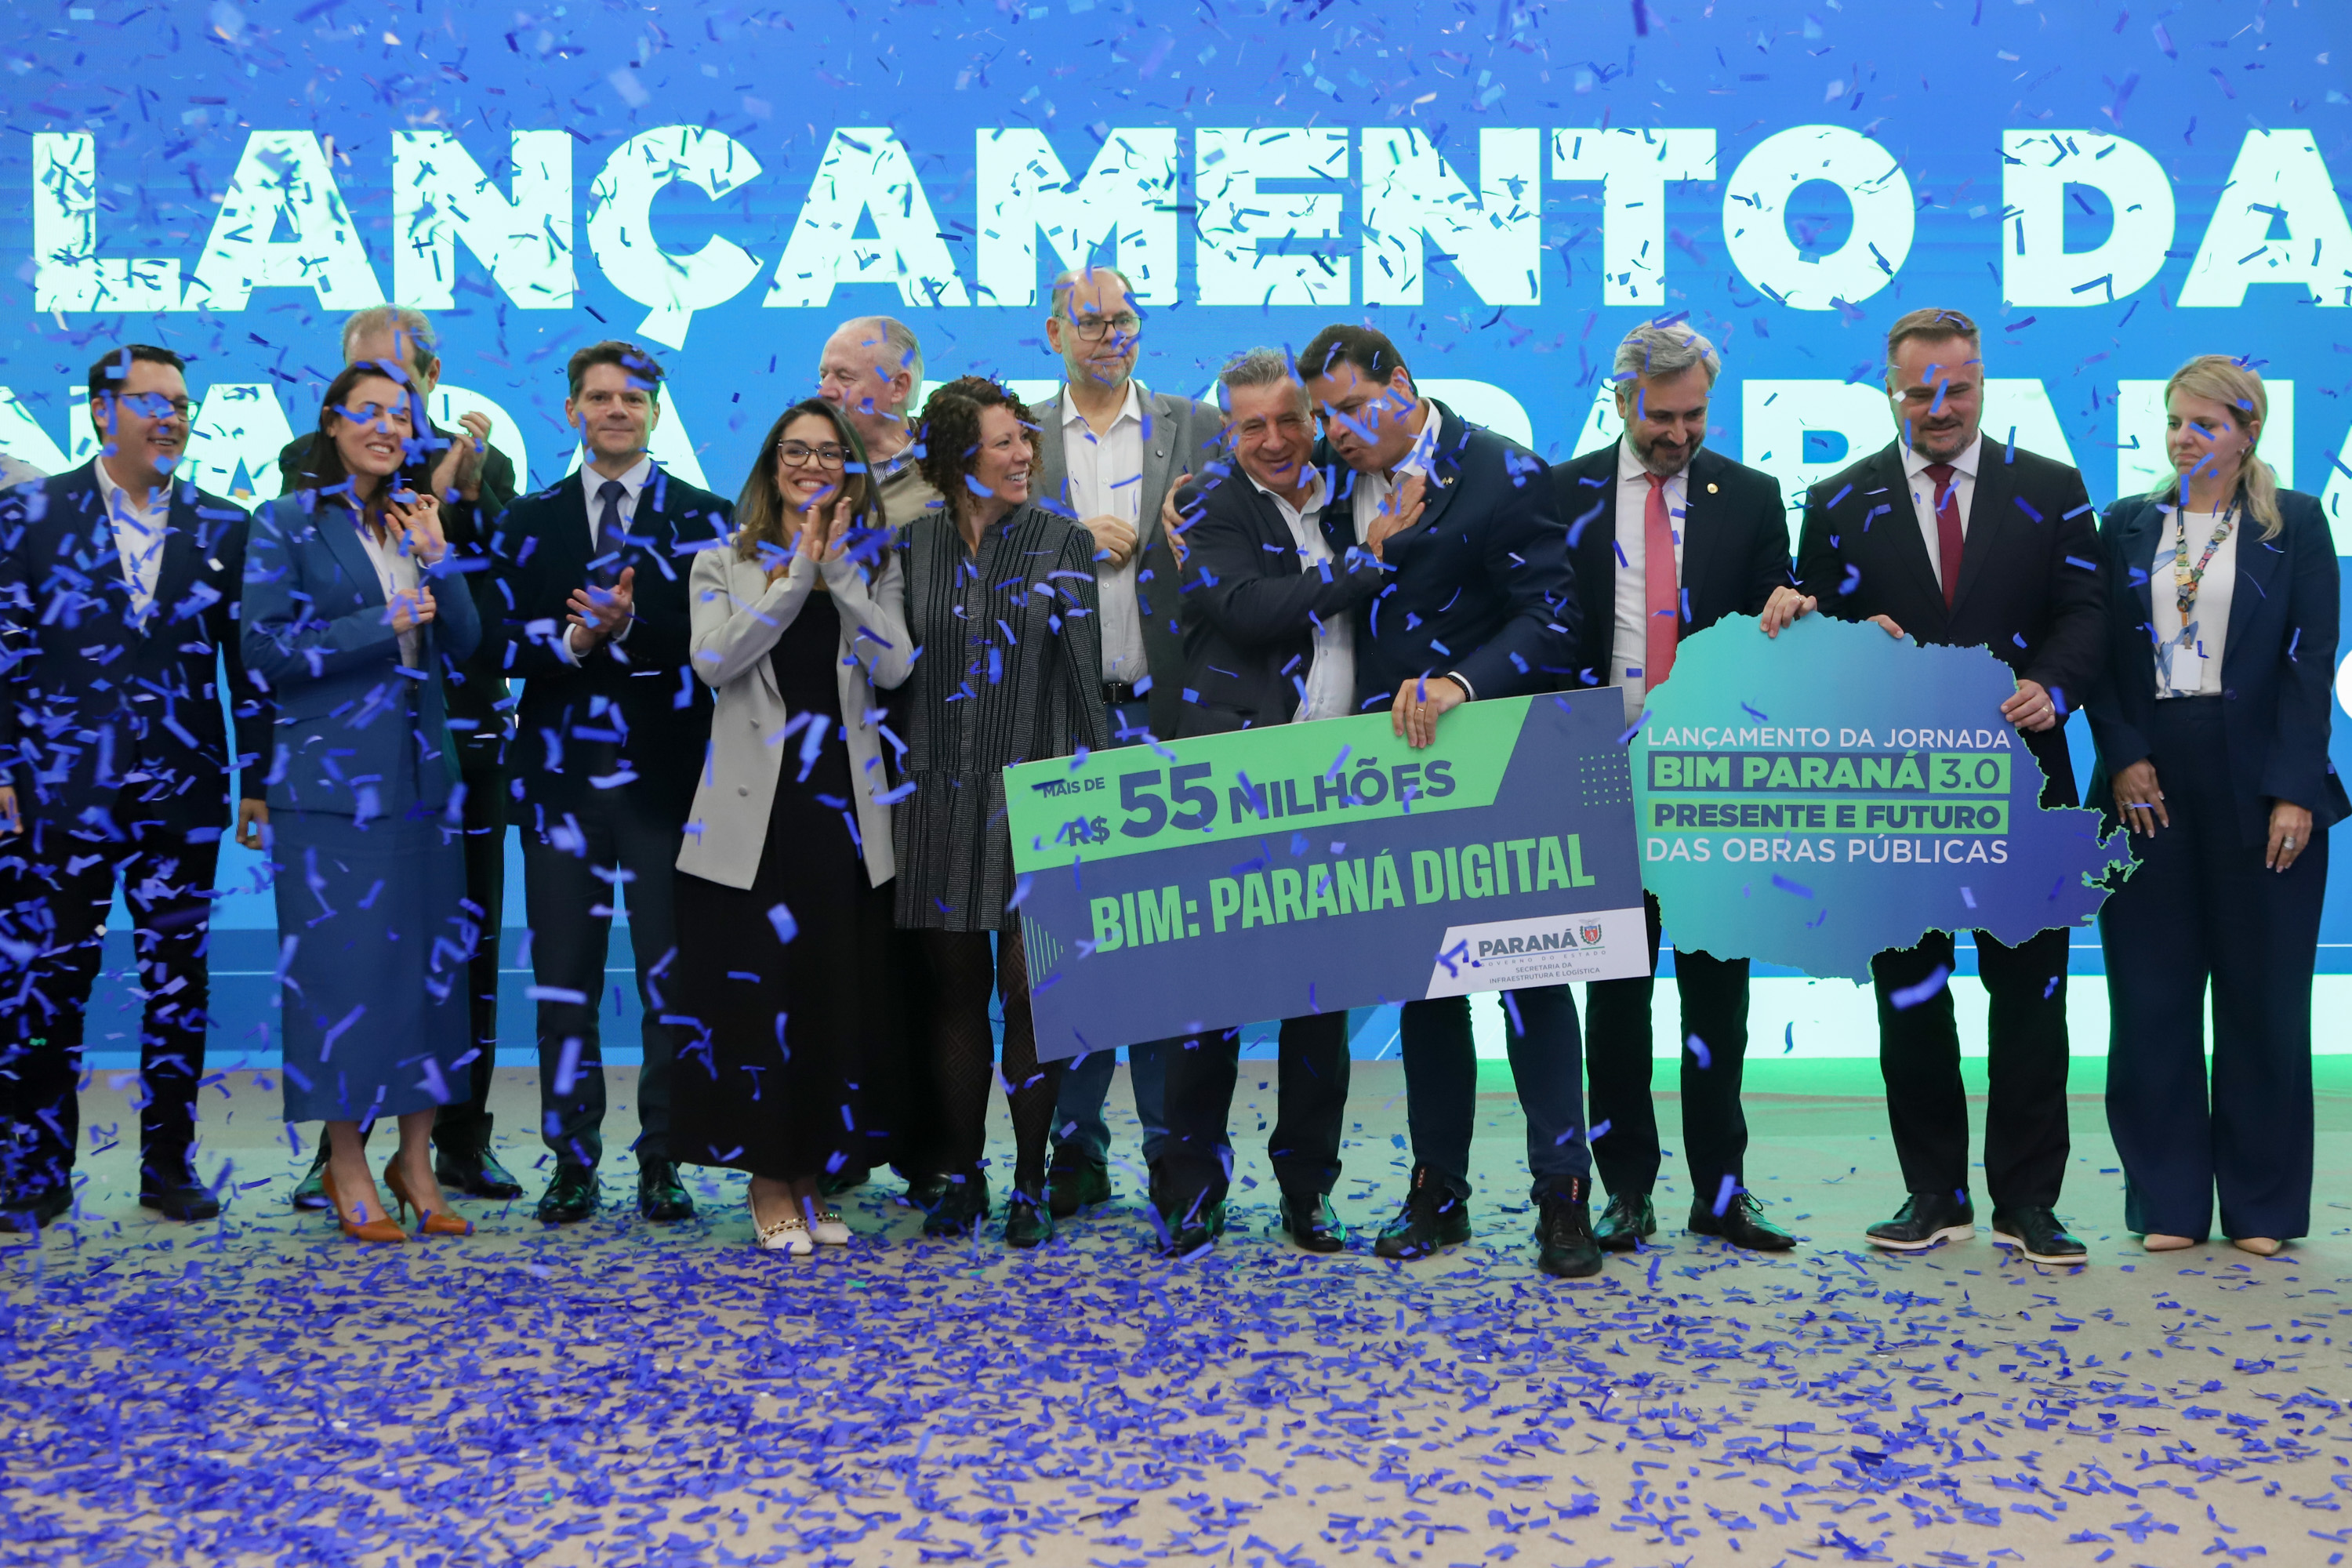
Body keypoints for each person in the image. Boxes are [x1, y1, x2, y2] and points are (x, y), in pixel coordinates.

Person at [1768, 306, 2103, 1266]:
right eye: (1921, 391)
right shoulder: (1837, 499)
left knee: (2031, 999)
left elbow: (2087, 611)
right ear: (1892, 392)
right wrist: (1824, 630)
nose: (1941, 407)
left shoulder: (2052, 486)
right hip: (1896, 793)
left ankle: (2028, 1202)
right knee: (1910, 999)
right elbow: (1816, 631)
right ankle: (1934, 1194)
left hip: (2024, 789)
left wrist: (2055, 685)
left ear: (1982, 381)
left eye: (1958, 387)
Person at [1294, 323, 1598, 1279]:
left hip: (1502, 761)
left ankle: (1563, 1193)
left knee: (1534, 983)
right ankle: (1438, 1190)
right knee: (1427, 987)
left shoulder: (1503, 469)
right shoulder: (1325, 480)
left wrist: (1461, 683)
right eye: (1324, 416)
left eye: (1352, 407)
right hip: (1387, 773)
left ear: (1401, 382)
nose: (1337, 431)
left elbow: (1554, 615)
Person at [0, 345, 267, 1232]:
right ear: (100, 412)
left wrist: (256, 775)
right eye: (151, 402)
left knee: (178, 987)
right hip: (57, 797)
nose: (172, 418)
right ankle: (38, 1170)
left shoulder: (225, 525)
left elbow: (248, 666)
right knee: (46, 987)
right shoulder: (28, 514)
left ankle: (167, 1165)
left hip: (182, 797)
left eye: (182, 403)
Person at [2087, 355, 2346, 1257]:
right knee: (2150, 999)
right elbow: (2096, 652)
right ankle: (2167, 1201)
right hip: (2146, 786)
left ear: (2248, 432)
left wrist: (2295, 789)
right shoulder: (2124, 524)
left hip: (2263, 787)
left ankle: (2263, 1207)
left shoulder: (2295, 522)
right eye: (2175, 421)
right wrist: (2123, 755)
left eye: (2206, 423)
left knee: (2263, 1001)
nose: (2185, 437)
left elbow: (2311, 661)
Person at [1555, 323, 1796, 1255]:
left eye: (1695, 414)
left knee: (1717, 1001)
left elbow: (1776, 599)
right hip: (1596, 773)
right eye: (1661, 415)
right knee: (1615, 997)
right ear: (1622, 401)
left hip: (1712, 781)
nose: (1679, 433)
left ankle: (1721, 1191)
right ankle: (1625, 1189)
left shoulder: (1754, 495)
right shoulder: (1564, 493)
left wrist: (1791, 603)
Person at [278, 305, 522, 1211]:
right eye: (367, 380)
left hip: (457, 742)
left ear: (430, 378)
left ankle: (459, 1140)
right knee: (352, 957)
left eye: (402, 379)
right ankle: (340, 1147)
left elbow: (489, 599)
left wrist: (461, 495)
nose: (387, 406)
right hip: (347, 756)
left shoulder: (484, 465)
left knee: (461, 949)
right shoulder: (301, 470)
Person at [1150, 348, 1385, 1257]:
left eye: (1291, 419)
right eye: (1254, 425)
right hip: (1232, 784)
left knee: (1320, 1004)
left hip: (1341, 785)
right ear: (1228, 431)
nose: (1276, 439)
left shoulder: (1354, 492)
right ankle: (1192, 1191)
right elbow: (1248, 609)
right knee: (1206, 1002)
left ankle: (1307, 1191)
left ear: (1314, 419)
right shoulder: (1209, 502)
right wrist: (1367, 564)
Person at [242, 360, 482, 1244]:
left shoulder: (419, 516)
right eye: (369, 412)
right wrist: (382, 622)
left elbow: (469, 641)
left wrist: (441, 559)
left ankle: (416, 1163)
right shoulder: (285, 521)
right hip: (329, 789)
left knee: (429, 978)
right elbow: (264, 650)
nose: (387, 427)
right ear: (333, 422)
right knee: (342, 980)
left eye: (401, 415)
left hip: (423, 782)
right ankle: (347, 1159)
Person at [492, 342, 731, 1226]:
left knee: (674, 984)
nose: (616, 410)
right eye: (599, 397)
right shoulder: (528, 517)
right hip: (560, 788)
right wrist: (574, 642)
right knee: (565, 983)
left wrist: (628, 630)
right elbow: (492, 642)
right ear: (572, 411)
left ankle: (665, 1157)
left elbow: (719, 647)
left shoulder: (707, 516)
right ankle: (572, 1161)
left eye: (633, 397)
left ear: (657, 411)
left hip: (670, 783)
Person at [671, 398, 913, 1254]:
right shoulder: (721, 559)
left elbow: (896, 665)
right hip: (755, 818)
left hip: (842, 814)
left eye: (830, 453)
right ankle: (768, 1181)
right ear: (772, 466)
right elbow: (714, 661)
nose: (813, 465)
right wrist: (794, 578)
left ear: (850, 469)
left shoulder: (874, 561)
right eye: (796, 451)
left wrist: (839, 574)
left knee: (828, 1001)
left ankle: (812, 1177)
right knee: (760, 1002)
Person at [892, 376, 1109, 1247]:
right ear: (956, 458)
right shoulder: (911, 546)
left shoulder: (1064, 540)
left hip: (1038, 801)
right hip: (935, 798)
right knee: (953, 998)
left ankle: (1029, 1181)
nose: (1024, 454)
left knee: (1029, 997)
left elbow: (1086, 684)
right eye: (1004, 442)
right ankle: (961, 1176)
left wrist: (1101, 804)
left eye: (1026, 439)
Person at [1030, 265, 1226, 1220]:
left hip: (1169, 717)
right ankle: (1075, 1143)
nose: (1111, 335)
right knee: (1069, 942)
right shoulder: (1020, 434)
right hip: (1061, 720)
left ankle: (1167, 1146)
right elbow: (983, 554)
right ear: (1054, 331)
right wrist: (1066, 536)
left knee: (1164, 939)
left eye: (1126, 320)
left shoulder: (1203, 426)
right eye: (1092, 321)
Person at [812, 314, 944, 1203]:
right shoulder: (808, 480)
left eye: (842, 374)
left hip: (937, 744)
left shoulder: (954, 479)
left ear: (897, 386)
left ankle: (931, 1149)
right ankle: (843, 1138)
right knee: (845, 954)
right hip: (836, 749)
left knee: (931, 960)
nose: (825, 389)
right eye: (823, 373)